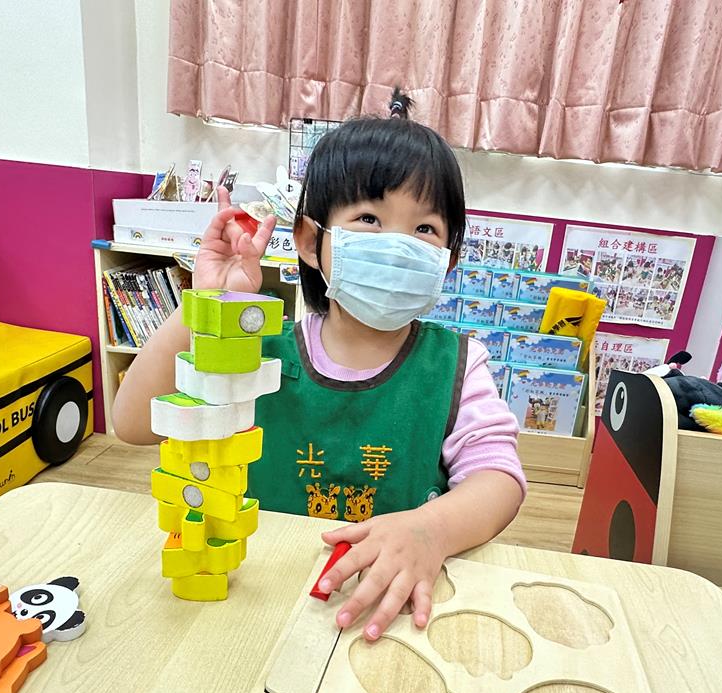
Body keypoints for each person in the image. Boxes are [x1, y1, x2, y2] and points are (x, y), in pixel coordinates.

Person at [114, 90, 525, 640]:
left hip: (386, 605)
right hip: (256, 597)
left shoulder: (457, 365)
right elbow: (134, 423)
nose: (397, 245)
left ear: (447, 260)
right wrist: (207, 307)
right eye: (369, 218)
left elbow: (498, 479)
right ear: (310, 241)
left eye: (424, 229)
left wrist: (430, 531)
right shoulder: (256, 352)